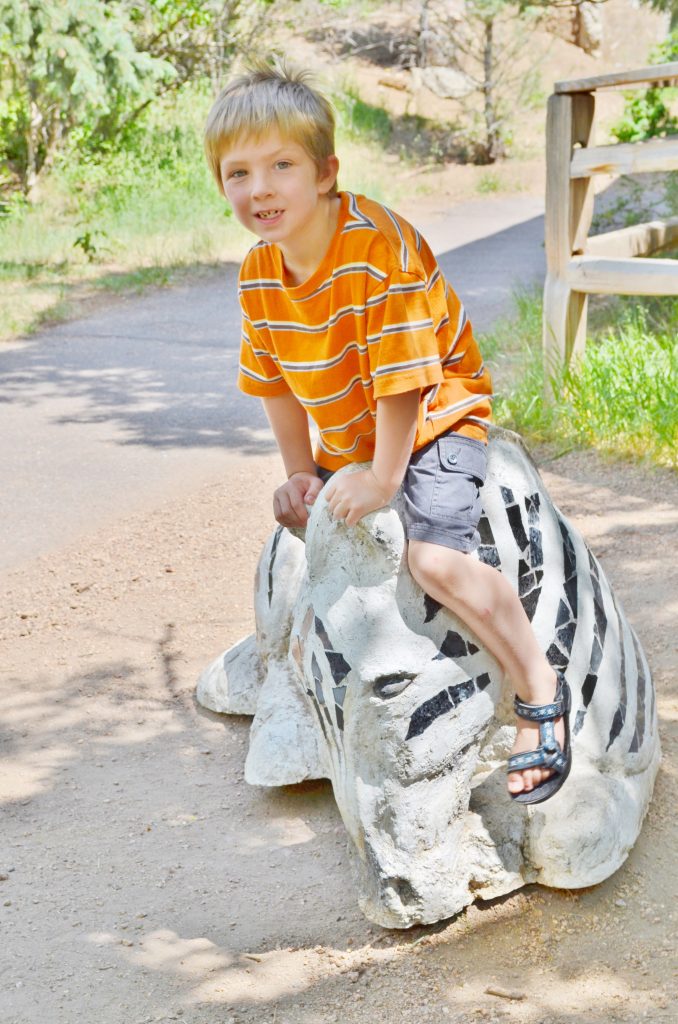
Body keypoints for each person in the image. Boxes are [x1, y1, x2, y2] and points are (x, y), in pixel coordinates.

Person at [204, 61, 571, 804]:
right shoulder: (258, 274)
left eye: (282, 165)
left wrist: (384, 479)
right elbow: (274, 380)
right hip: (350, 432)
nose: (261, 189)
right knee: (310, 545)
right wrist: (302, 469)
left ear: (326, 171)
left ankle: (540, 688)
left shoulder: (379, 250)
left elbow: (404, 381)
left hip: (433, 415)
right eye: (239, 172)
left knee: (433, 558)